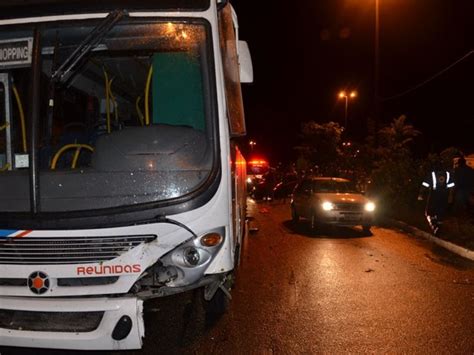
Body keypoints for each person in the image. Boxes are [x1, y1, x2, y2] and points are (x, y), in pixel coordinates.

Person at [418, 165, 455, 235]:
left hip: (434, 195)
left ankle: (433, 225)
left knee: (428, 212)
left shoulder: (432, 174)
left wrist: (420, 194)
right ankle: (439, 227)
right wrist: (450, 197)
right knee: (441, 211)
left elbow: (425, 184)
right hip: (444, 195)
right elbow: (452, 187)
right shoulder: (447, 174)